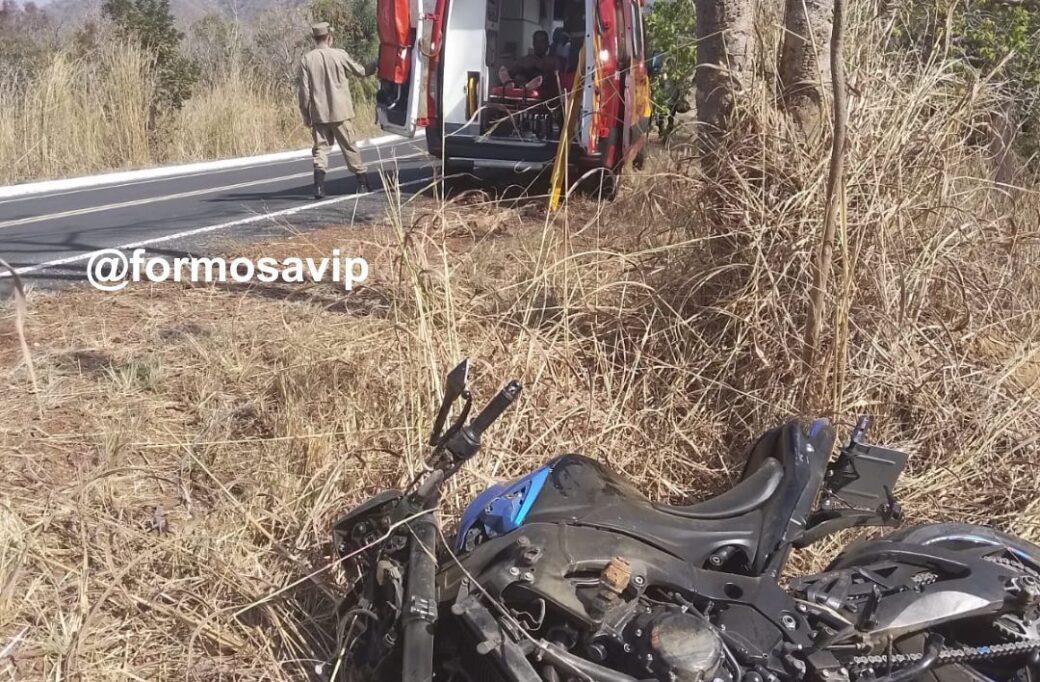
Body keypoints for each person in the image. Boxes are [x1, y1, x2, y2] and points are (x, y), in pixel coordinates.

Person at [297, 22, 376, 199]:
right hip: (341, 112)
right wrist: (376, 63)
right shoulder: (339, 55)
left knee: (321, 150)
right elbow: (361, 71)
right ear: (329, 38)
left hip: (319, 113)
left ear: (314, 38)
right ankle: (362, 183)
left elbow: (304, 92)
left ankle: (319, 187)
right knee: (349, 146)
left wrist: (305, 114)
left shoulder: (306, 59)